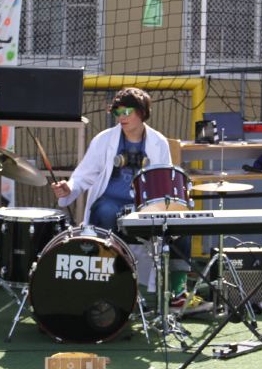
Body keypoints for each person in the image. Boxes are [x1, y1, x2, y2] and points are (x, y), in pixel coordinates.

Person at [52, 87, 186, 295]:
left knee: (181, 229)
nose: (121, 117)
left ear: (142, 112)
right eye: (117, 112)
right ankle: (106, 283)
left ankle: (177, 292)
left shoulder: (158, 142)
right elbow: (84, 174)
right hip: (110, 202)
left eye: (127, 112)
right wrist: (69, 187)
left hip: (143, 207)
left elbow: (163, 181)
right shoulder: (103, 139)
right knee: (105, 211)